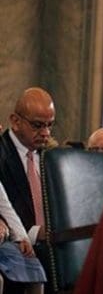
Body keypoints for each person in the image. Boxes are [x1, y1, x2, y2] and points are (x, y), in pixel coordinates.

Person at [0, 88, 55, 244]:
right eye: (37, 125)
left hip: (56, 250)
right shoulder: (2, 153)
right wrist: (34, 233)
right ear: (15, 121)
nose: (46, 133)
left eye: (49, 125)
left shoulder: (52, 158)